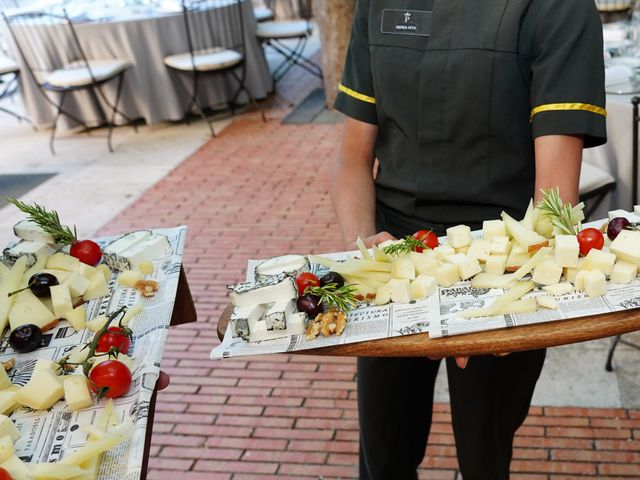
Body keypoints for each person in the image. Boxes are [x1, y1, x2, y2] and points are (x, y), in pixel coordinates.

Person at [330, 1, 607, 479]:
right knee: (383, 454)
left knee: (485, 454)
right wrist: (367, 250)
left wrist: (485, 311)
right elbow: (353, 160)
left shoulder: (560, 7)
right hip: (395, 258)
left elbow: (551, 204)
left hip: (505, 262)